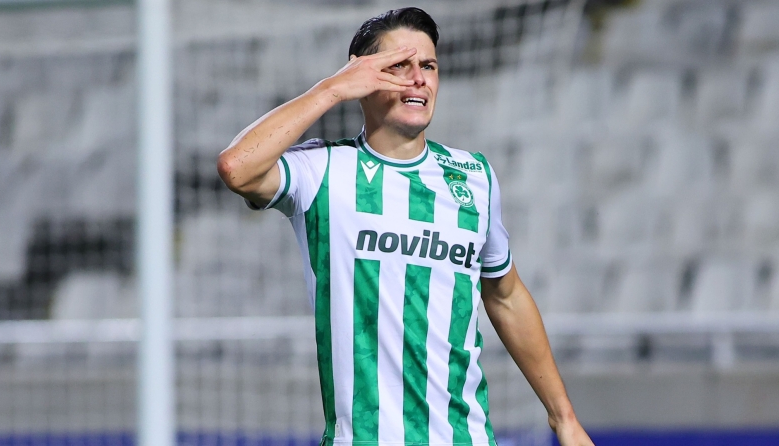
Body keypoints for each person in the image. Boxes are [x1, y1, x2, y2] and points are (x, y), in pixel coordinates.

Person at [217, 7, 593, 446]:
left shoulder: (474, 176)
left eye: (429, 66)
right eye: (399, 66)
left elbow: (505, 295)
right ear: (362, 76)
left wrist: (564, 418)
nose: (418, 79)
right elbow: (237, 167)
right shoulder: (322, 171)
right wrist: (332, 89)